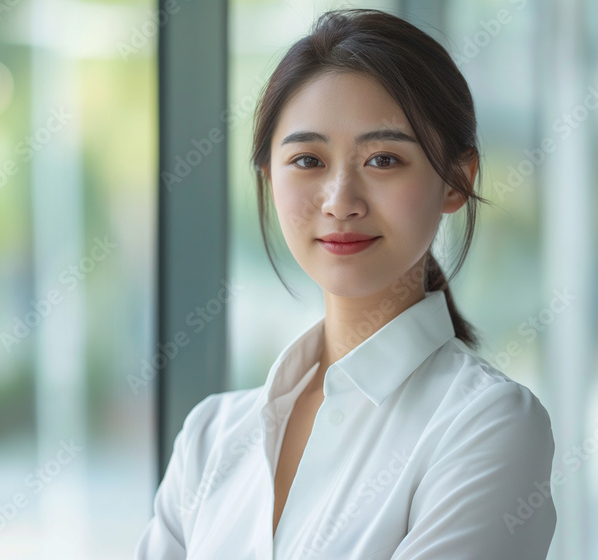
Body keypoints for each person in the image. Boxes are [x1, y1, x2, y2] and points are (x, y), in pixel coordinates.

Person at [136, 8, 556, 560]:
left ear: (456, 180)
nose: (340, 201)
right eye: (308, 160)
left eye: (383, 159)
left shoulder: (488, 426)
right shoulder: (210, 437)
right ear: (269, 178)